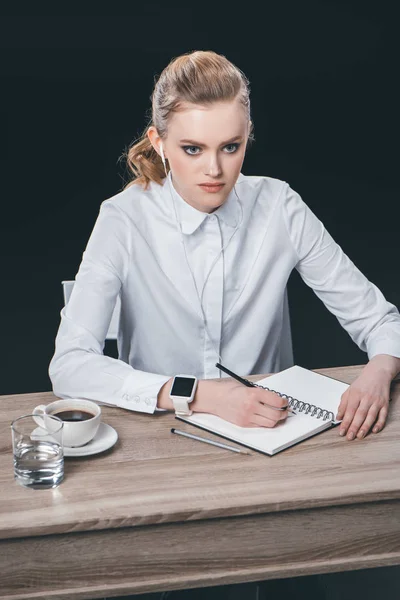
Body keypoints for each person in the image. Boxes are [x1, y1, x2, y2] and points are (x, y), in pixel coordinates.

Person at [48, 49, 400, 600]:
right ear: (160, 143)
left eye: (230, 147)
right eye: (192, 149)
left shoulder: (279, 204)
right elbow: (69, 365)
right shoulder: (122, 218)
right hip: (164, 455)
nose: (214, 170)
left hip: (278, 446)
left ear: (246, 140)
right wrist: (200, 394)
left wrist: (380, 367)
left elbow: (378, 318)